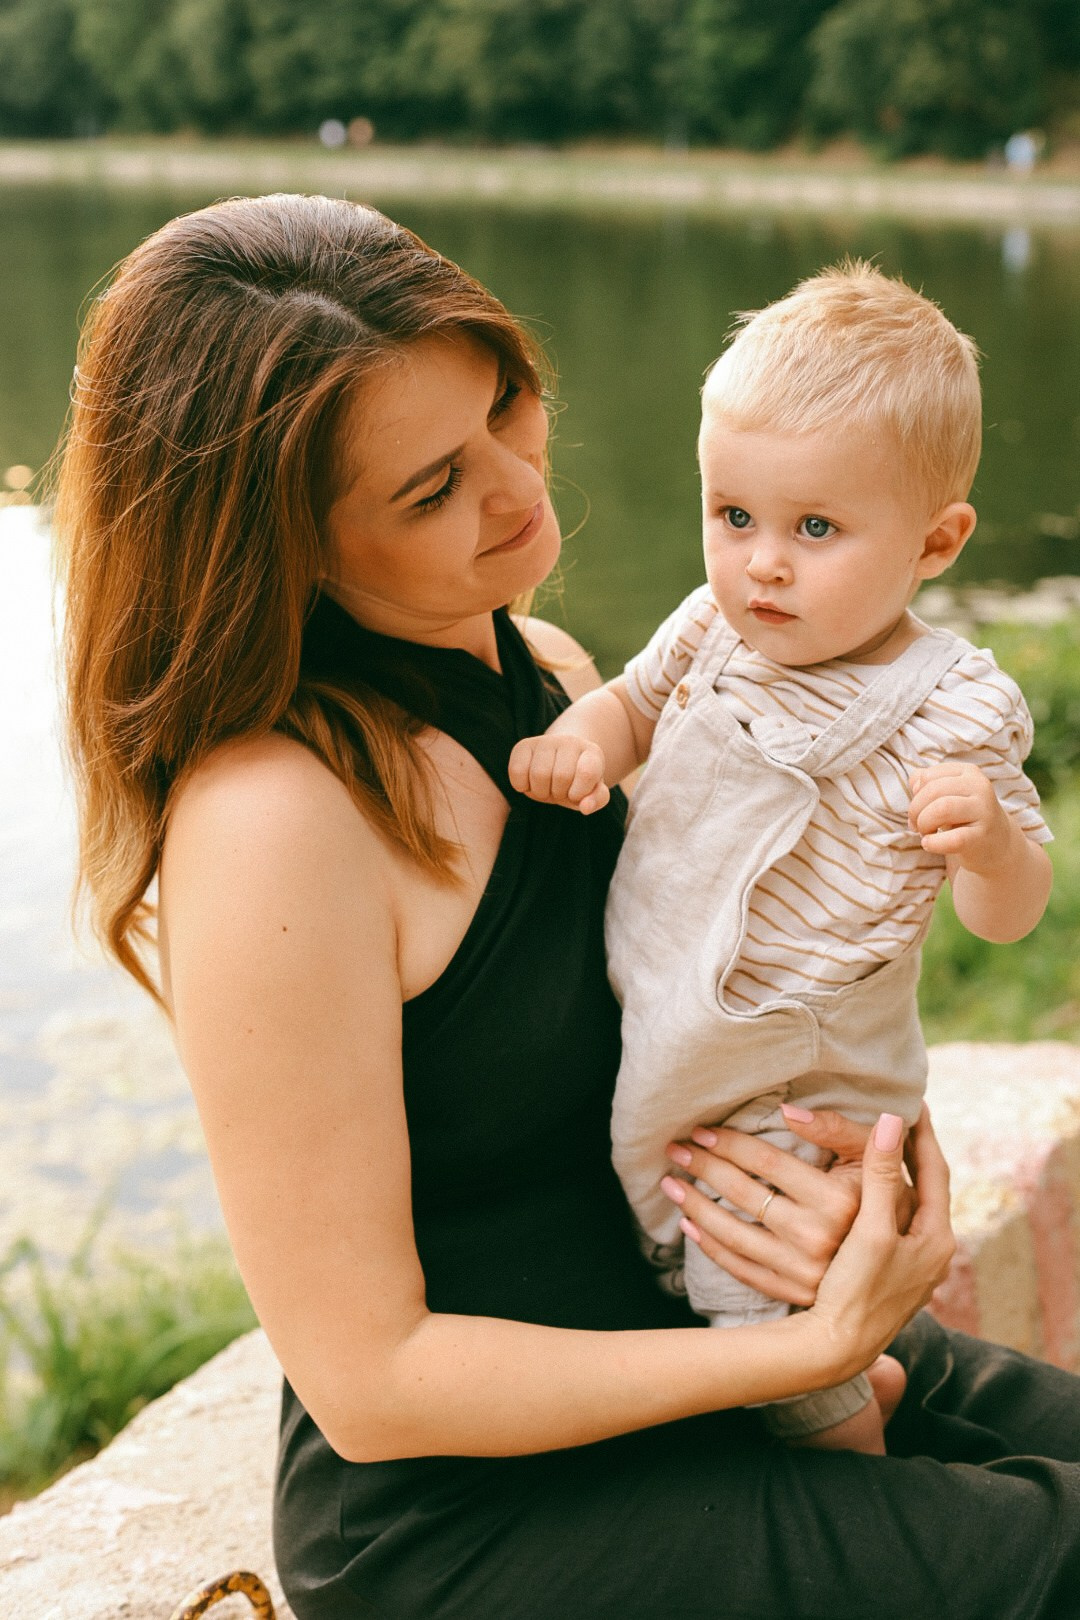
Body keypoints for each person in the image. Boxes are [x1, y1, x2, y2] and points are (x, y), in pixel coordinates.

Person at [55, 195, 1080, 1620]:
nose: (517, 489)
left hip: (705, 1322)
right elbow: (374, 1385)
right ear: (278, 545)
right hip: (491, 1507)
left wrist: (867, 1199)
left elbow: (710, 1005)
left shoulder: (547, 670)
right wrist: (803, 1354)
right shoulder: (276, 816)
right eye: (430, 489)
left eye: (503, 407)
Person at [508, 264, 1052, 1455]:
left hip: (800, 1083)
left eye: (815, 529)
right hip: (672, 1013)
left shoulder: (946, 709)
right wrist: (576, 742)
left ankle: (861, 1488)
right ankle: (875, 1413)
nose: (762, 563)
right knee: (673, 1231)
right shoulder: (711, 629)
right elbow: (632, 711)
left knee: (761, 1304)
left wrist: (993, 841)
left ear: (937, 541)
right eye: (733, 516)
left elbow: (1010, 917)